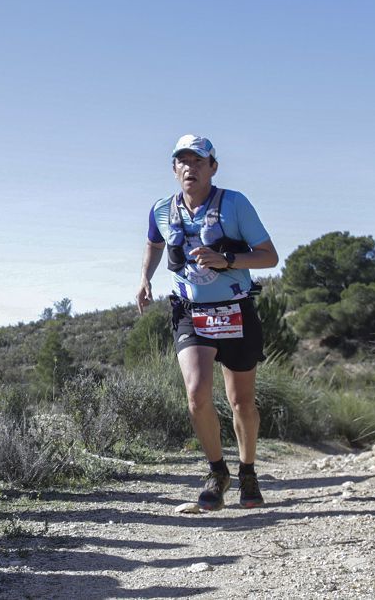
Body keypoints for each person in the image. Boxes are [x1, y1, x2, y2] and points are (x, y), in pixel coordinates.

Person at [137, 134, 279, 510]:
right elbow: (154, 243)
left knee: (241, 402)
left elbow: (269, 257)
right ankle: (217, 472)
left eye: (199, 162)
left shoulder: (235, 204)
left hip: (235, 309)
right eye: (183, 162)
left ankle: (247, 470)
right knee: (197, 395)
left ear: (213, 167)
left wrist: (227, 260)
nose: (190, 168)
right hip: (190, 312)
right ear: (173, 169)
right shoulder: (161, 209)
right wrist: (145, 279)